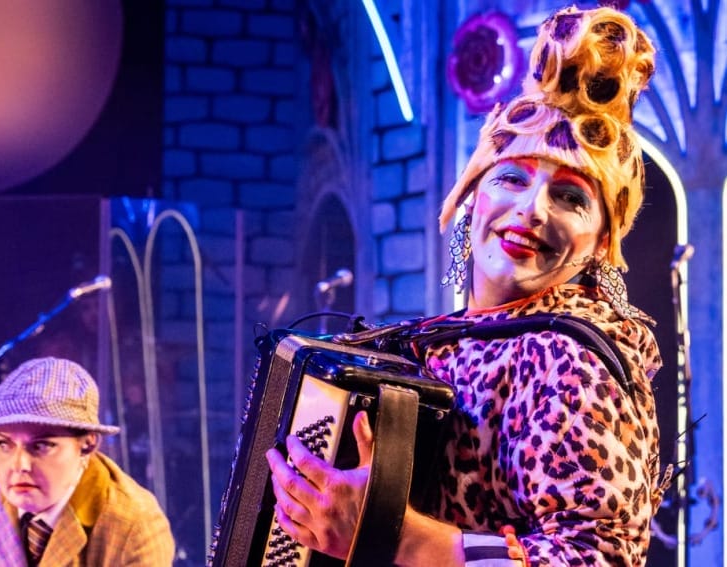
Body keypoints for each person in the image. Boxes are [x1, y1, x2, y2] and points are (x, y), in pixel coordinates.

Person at [267, 5, 666, 566]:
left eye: (570, 197)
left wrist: (393, 535)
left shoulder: (569, 362)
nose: (532, 209)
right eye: (512, 177)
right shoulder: (439, 342)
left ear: (601, 242)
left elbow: (597, 558)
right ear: (474, 196)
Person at [0, 357, 175, 566]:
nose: (20, 465)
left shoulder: (135, 526)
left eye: (41, 446)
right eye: (4, 444)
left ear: (88, 445)